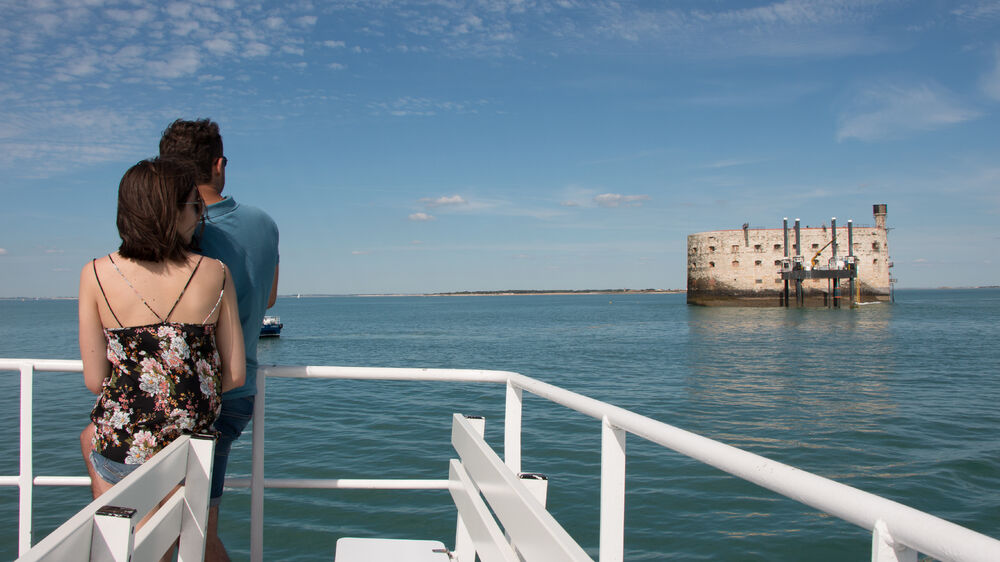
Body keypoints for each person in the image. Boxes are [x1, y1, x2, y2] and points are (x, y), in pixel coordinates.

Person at [78, 157, 245, 500]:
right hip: (189, 452)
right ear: (176, 211)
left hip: (122, 448)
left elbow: (95, 380)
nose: (199, 214)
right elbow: (235, 375)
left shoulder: (94, 273)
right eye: (195, 205)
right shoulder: (216, 272)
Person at [159, 118, 280, 561]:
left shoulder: (175, 228)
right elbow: (266, 297)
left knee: (186, 532)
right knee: (195, 527)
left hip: (184, 396)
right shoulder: (264, 223)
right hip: (239, 391)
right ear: (219, 164)